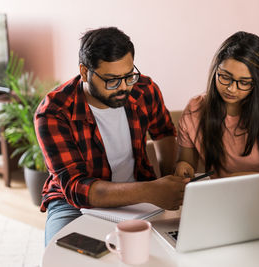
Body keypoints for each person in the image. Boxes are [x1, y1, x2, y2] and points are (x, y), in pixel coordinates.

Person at [34, 27, 189, 246]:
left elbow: (164, 133)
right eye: (112, 80)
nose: (124, 87)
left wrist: (169, 183)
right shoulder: (54, 112)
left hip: (141, 190)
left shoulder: (144, 89)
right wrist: (152, 191)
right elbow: (77, 188)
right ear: (85, 72)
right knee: (64, 256)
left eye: (128, 76)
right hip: (73, 204)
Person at [174, 31, 259, 194]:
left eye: (243, 82)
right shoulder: (195, 110)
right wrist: (183, 167)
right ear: (215, 70)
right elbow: (186, 161)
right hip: (225, 199)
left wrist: (236, 180)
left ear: (258, 82)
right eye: (225, 77)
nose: (231, 88)